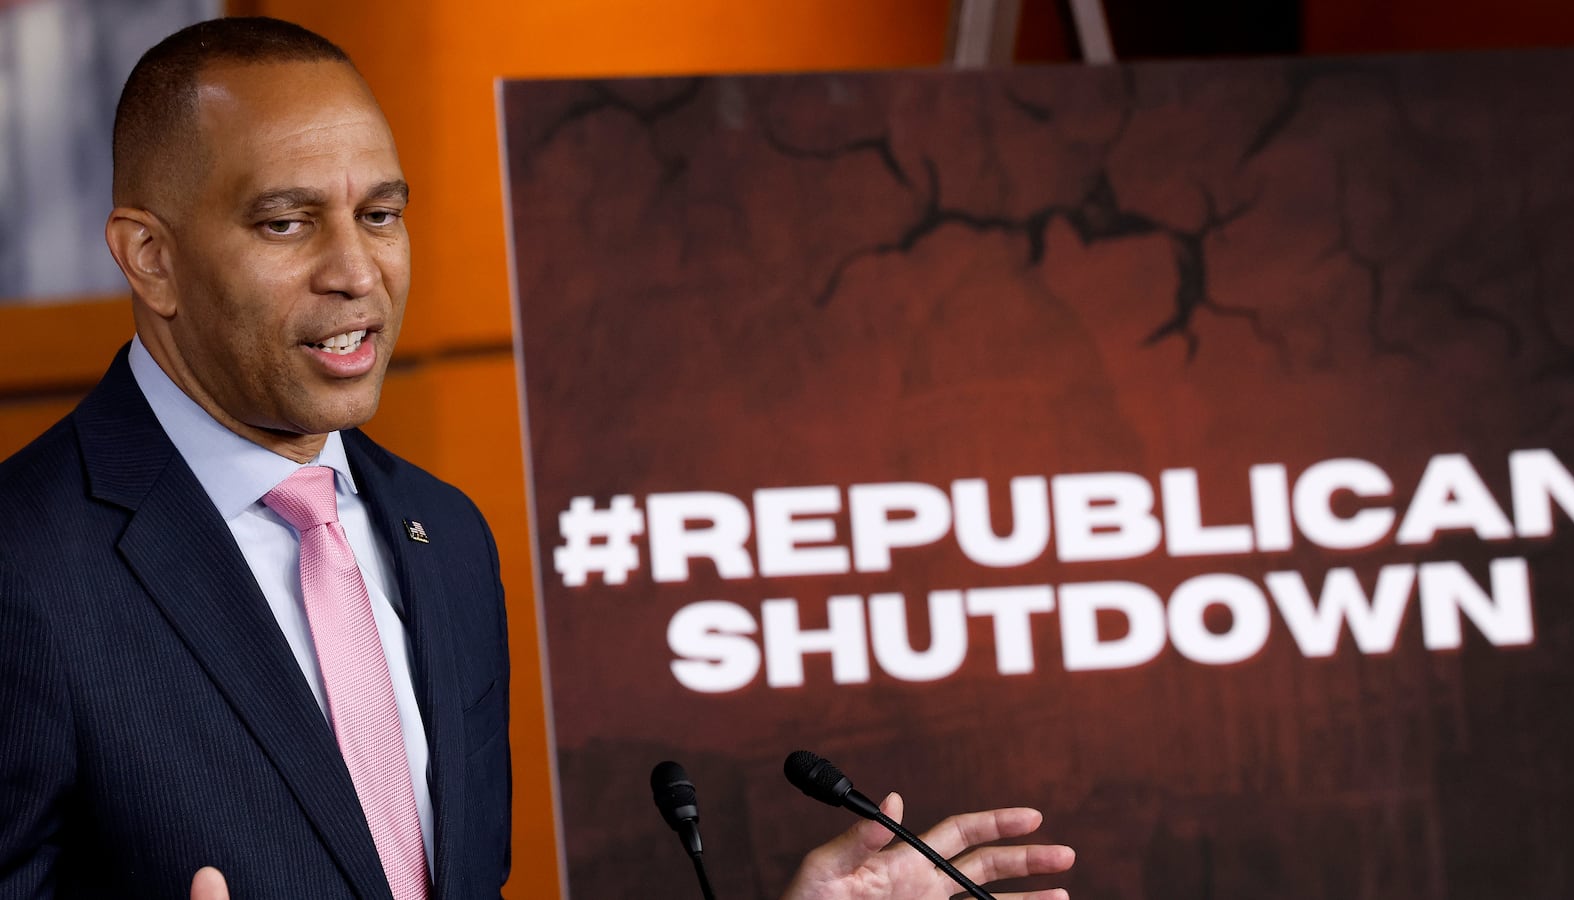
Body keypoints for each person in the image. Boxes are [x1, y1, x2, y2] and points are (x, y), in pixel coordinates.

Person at [0, 16, 1074, 900]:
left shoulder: (447, 539)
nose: (356, 272)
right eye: (286, 224)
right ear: (151, 257)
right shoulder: (26, 564)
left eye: (381, 214)